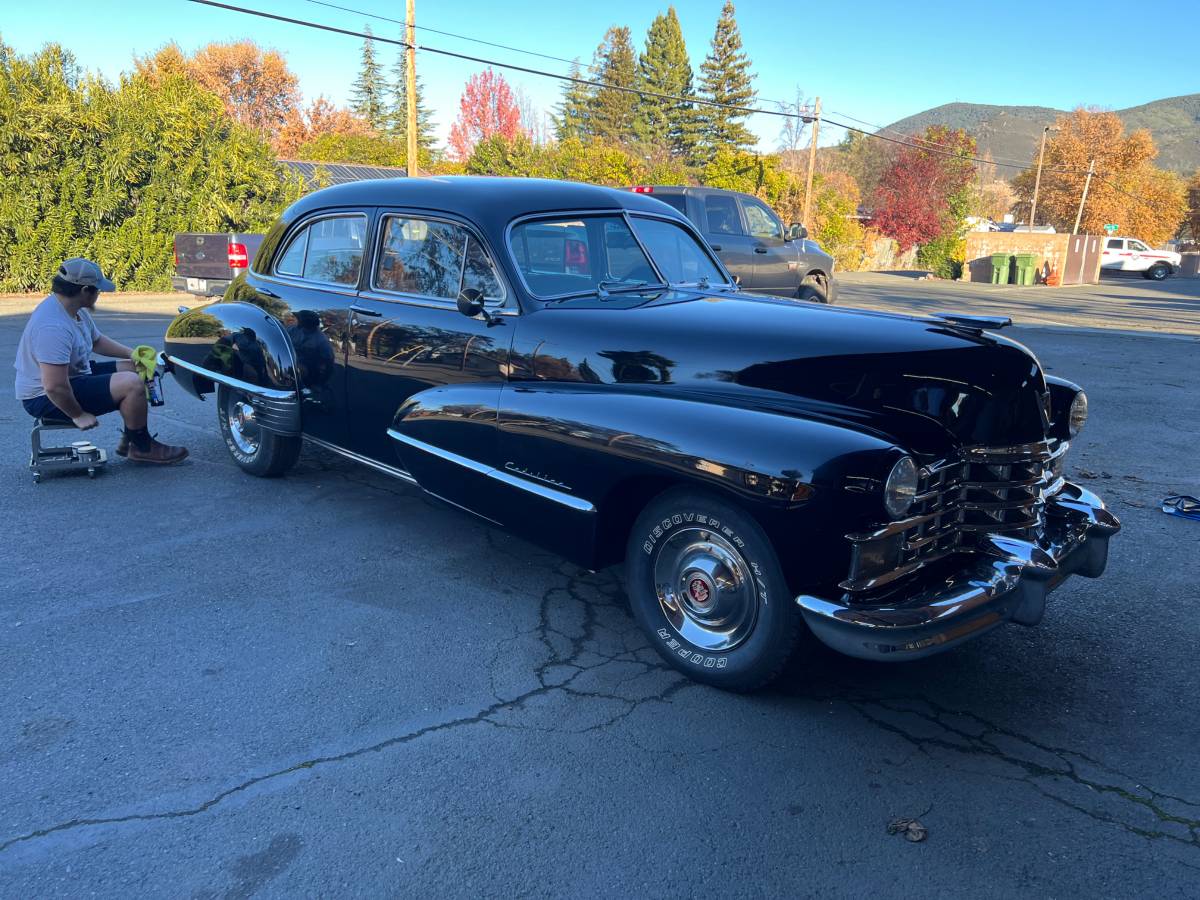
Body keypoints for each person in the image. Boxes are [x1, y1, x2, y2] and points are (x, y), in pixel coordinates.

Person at [14, 258, 188, 464]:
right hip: (43, 398)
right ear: (85, 290)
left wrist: (134, 355)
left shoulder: (71, 309)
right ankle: (141, 447)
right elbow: (54, 386)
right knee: (131, 384)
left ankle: (133, 438)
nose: (100, 294)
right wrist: (78, 414)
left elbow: (96, 341)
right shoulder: (52, 327)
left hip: (73, 378)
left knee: (136, 368)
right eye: (98, 290)